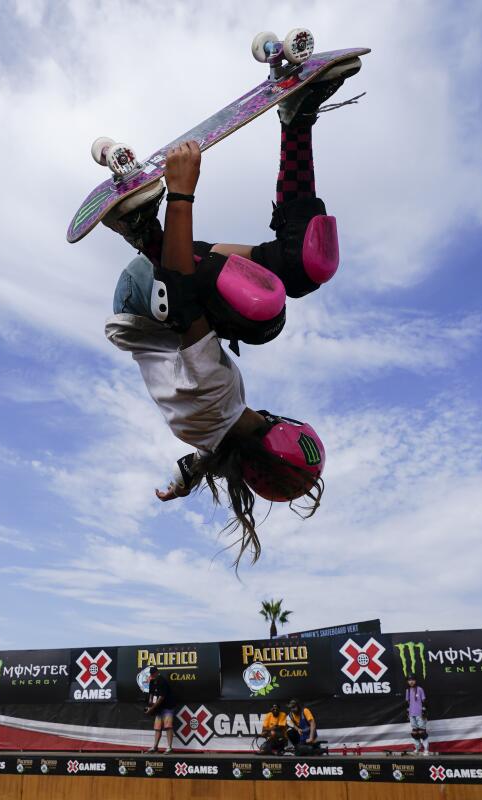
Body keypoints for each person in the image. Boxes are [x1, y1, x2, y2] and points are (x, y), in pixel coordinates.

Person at [100, 59, 361, 566]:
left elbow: (182, 291)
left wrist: (181, 189)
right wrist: (179, 484)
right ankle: (297, 120)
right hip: (163, 297)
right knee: (302, 265)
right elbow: (206, 461)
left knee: (263, 313)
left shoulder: (216, 397)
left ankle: (139, 229)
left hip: (146, 296)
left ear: (278, 421)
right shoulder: (220, 433)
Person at [144, 666, 176, 753]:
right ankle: (155, 747)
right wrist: (150, 703)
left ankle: (169, 747)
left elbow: (161, 697)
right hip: (158, 708)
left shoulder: (162, 681)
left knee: (168, 726)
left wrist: (152, 709)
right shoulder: (151, 681)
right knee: (157, 728)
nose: (152, 675)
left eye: (154, 673)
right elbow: (151, 693)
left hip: (167, 706)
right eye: (151, 674)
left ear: (157, 672)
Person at [405, 677, 429, 755]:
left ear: (415, 681)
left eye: (412, 680)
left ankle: (426, 750)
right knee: (415, 732)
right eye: (409, 680)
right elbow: (408, 702)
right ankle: (417, 749)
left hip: (420, 713)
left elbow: (424, 700)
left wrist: (424, 711)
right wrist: (408, 712)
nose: (411, 682)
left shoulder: (420, 689)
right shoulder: (407, 690)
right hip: (412, 713)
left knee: (422, 732)